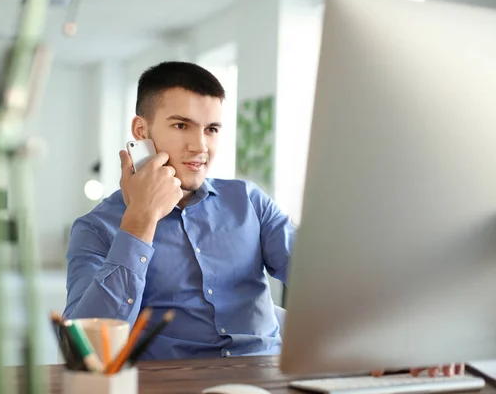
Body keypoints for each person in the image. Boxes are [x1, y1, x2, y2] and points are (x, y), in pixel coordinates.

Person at [62, 61, 462, 375]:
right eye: (181, 125)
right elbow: (86, 350)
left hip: (269, 376)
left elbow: (323, 281)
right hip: (171, 383)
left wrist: (413, 334)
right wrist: (140, 221)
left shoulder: (248, 202)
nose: (200, 146)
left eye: (212, 129)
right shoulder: (96, 228)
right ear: (141, 131)